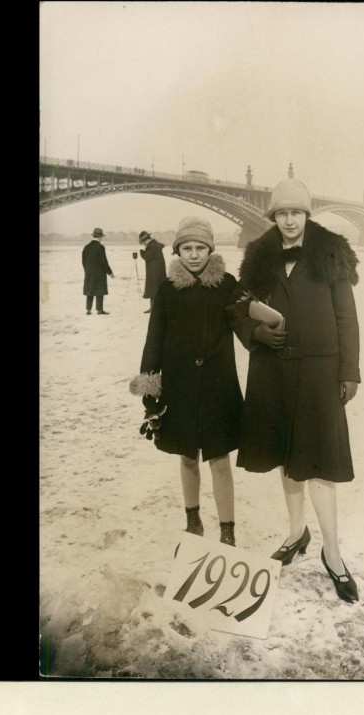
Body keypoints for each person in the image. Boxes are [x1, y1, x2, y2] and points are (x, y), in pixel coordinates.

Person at [228, 179, 361, 602]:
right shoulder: (258, 256)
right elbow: (237, 309)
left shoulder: (330, 253)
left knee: (320, 463)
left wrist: (350, 372)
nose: (289, 221)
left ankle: (332, 552)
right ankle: (295, 532)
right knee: (286, 456)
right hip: (273, 371)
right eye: (282, 213)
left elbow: (346, 317)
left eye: (296, 213)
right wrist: (255, 333)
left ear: (307, 215)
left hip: (320, 372)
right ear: (273, 216)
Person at [129, 216, 244, 546]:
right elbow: (154, 341)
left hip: (217, 388)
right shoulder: (167, 289)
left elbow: (246, 323)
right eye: (187, 248)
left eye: (200, 248)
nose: (194, 255)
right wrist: (150, 390)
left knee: (219, 459)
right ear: (178, 251)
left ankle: (227, 532)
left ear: (210, 250)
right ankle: (193, 522)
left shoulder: (227, 285)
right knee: (187, 456)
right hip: (179, 388)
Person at [82, 227, 114, 315]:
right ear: (100, 237)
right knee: (100, 291)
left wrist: (87, 270)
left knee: (90, 290)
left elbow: (83, 261)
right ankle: (99, 310)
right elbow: (104, 262)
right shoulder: (100, 247)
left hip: (89, 273)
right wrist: (110, 272)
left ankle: (88, 310)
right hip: (99, 274)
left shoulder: (86, 247)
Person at [138, 230, 167, 312]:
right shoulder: (156, 244)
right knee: (156, 290)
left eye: (143, 242)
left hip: (153, 272)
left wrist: (141, 252)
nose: (144, 244)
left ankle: (154, 308)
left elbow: (147, 257)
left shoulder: (151, 246)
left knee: (153, 290)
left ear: (146, 240)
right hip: (159, 271)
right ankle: (155, 308)